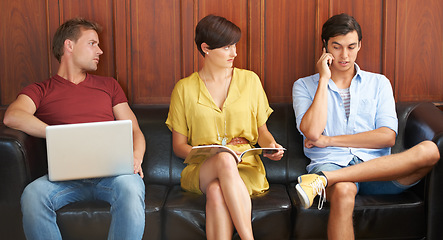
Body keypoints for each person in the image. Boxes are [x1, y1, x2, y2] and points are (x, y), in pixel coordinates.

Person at [292, 13, 440, 240]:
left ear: (360, 45)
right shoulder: (304, 85)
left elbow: (387, 137)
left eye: (351, 47)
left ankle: (323, 180)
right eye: (337, 47)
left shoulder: (379, 83)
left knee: (430, 150)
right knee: (343, 190)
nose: (344, 55)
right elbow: (312, 133)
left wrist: (329, 140)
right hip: (331, 163)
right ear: (325, 47)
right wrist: (323, 79)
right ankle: (329, 178)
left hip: (378, 170)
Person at [3, 18, 146, 239]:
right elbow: (13, 116)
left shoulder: (109, 86)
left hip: (113, 175)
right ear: (69, 45)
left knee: (131, 187)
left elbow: (135, 130)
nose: (100, 51)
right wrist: (56, 134)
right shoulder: (40, 90)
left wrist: (136, 157)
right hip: (64, 178)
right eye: (92, 43)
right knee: (33, 194)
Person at [165, 14, 284, 240]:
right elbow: (179, 146)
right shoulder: (184, 89)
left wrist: (271, 146)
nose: (235, 53)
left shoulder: (250, 81)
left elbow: (262, 132)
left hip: (246, 168)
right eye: (227, 47)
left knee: (216, 191)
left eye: (234, 45)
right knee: (223, 159)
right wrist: (212, 151)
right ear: (206, 48)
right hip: (202, 168)